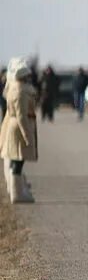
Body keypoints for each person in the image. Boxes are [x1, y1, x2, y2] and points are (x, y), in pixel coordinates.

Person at [1, 58, 38, 204]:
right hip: (18, 127)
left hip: (14, 125)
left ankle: (16, 189)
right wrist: (27, 134)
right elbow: (21, 115)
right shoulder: (20, 91)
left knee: (16, 159)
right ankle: (17, 193)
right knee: (18, 159)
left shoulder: (14, 88)